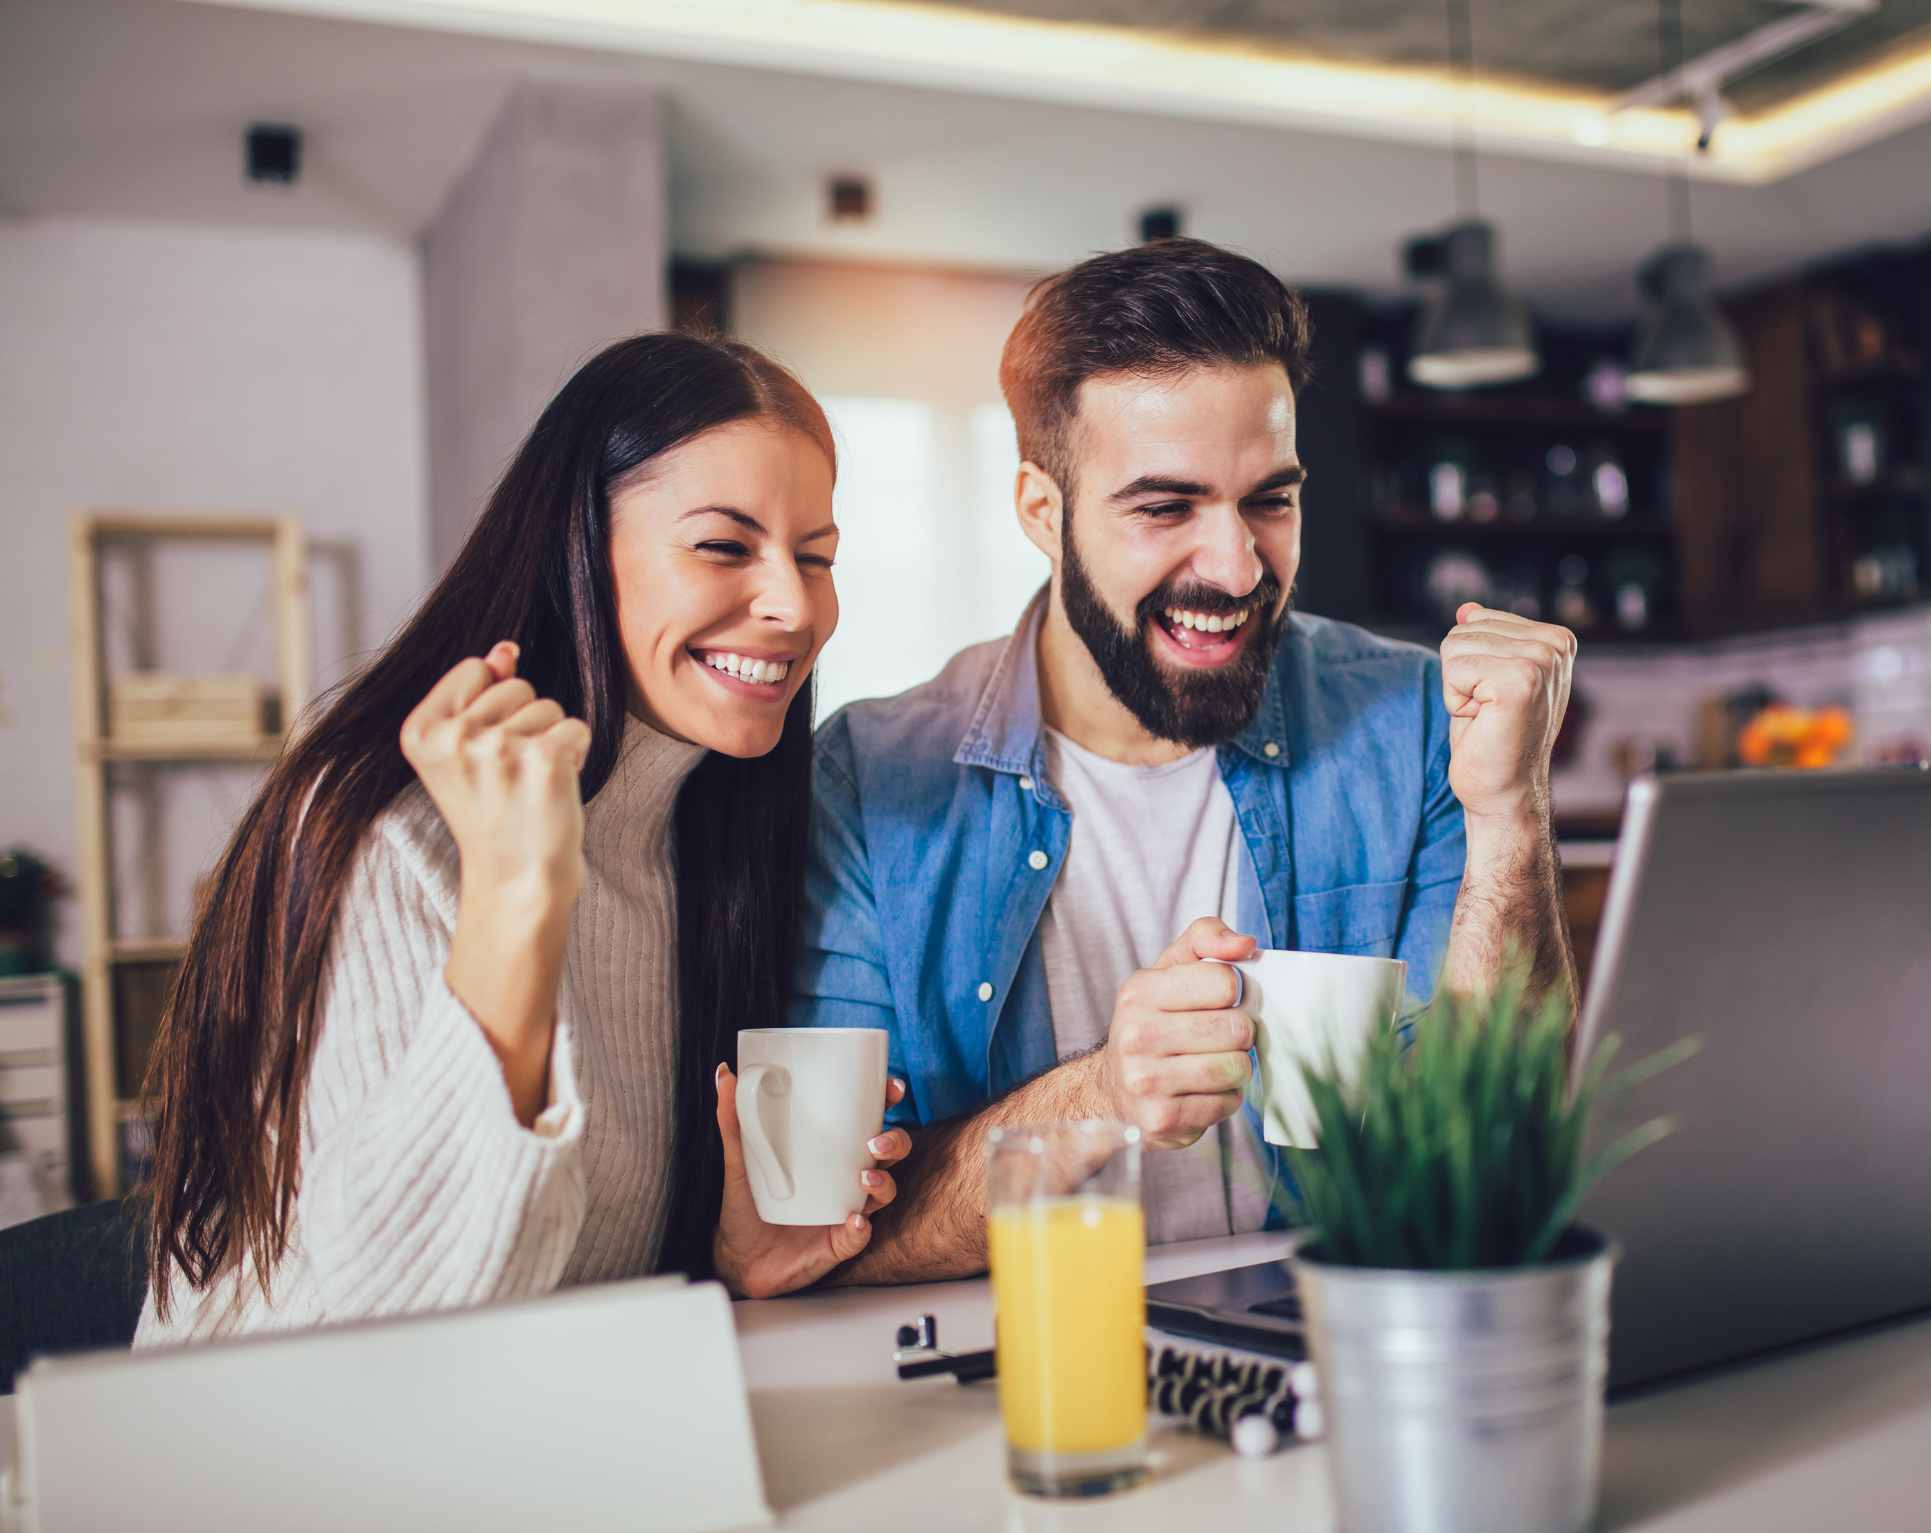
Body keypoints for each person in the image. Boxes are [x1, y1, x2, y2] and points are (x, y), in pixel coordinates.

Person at [792, 239, 1576, 1280]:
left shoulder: (1411, 721)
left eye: (1270, 500)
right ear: (1043, 511)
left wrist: (1509, 812)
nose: (1237, 565)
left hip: (1329, 1352)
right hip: (1014, 1382)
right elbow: (831, 1234)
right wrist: (1101, 1098)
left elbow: (1495, 1149)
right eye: (1166, 508)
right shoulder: (866, 778)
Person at [138, 332, 912, 1345]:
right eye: (724, 546)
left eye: (816, 557)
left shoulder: (709, 840)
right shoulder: (394, 828)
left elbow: (573, 1288)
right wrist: (516, 889)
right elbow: (388, 1334)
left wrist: (724, 1261)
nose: (791, 604)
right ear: (577, 549)